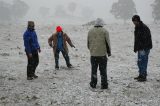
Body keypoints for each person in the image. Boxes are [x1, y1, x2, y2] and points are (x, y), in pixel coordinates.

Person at [87, 18, 111, 89]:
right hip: (102, 55)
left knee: (94, 70)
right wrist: (109, 52)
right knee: (103, 70)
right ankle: (104, 84)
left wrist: (91, 50)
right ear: (102, 23)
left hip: (93, 55)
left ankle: (93, 83)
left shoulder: (90, 31)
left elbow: (88, 43)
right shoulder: (105, 31)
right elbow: (107, 43)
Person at [132, 15, 152, 82]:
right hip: (140, 48)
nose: (134, 22)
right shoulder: (137, 27)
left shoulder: (143, 27)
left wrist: (142, 47)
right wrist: (136, 48)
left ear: (138, 20)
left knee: (143, 61)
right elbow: (137, 39)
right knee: (140, 61)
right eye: (133, 21)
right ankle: (141, 74)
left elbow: (145, 39)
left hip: (144, 48)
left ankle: (143, 76)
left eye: (135, 21)